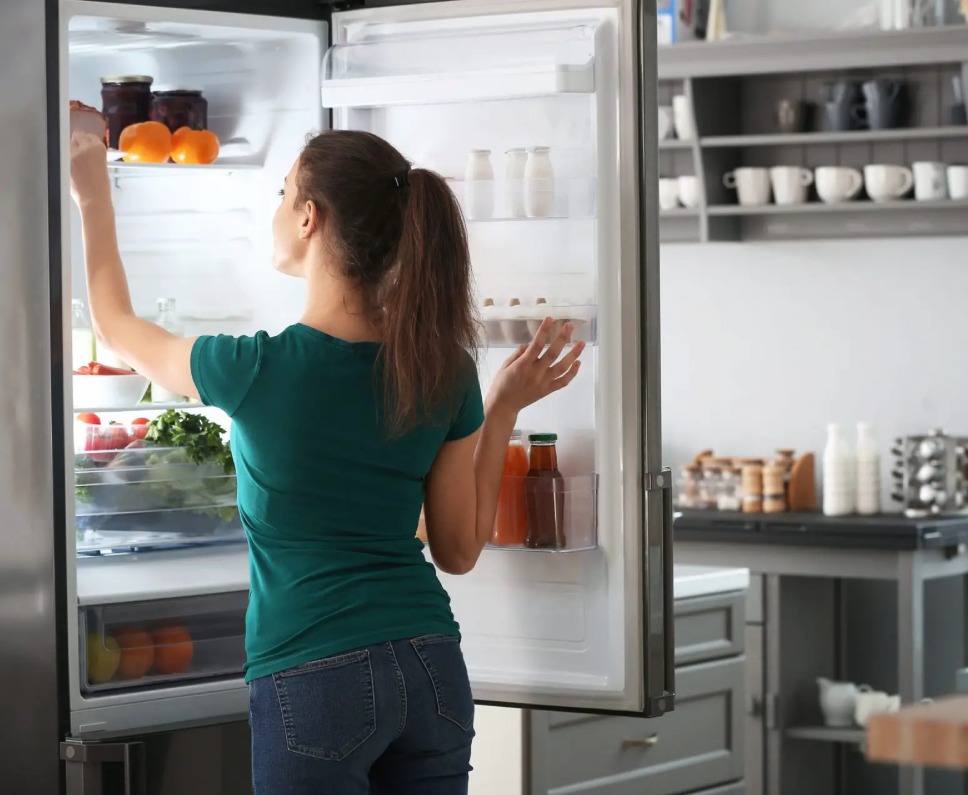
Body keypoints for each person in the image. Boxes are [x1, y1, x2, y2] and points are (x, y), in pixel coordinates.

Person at [69, 128, 584, 794]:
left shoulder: (255, 366)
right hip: (431, 665)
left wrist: (90, 192)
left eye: (285, 193)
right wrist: (502, 407)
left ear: (310, 217)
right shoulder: (441, 368)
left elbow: (114, 325)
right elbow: (456, 548)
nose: (278, 207)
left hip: (315, 676)